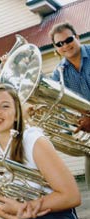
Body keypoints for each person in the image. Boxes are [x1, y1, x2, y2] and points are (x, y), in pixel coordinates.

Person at [0, 83, 81, 219]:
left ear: (16, 115)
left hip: (57, 217)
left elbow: (71, 196)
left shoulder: (34, 141)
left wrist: (24, 207)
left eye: (5, 106)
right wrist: (19, 216)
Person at [49, 21, 90, 188]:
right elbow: (52, 103)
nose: (65, 46)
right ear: (56, 48)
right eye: (59, 44)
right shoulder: (58, 73)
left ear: (77, 37)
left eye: (69, 40)